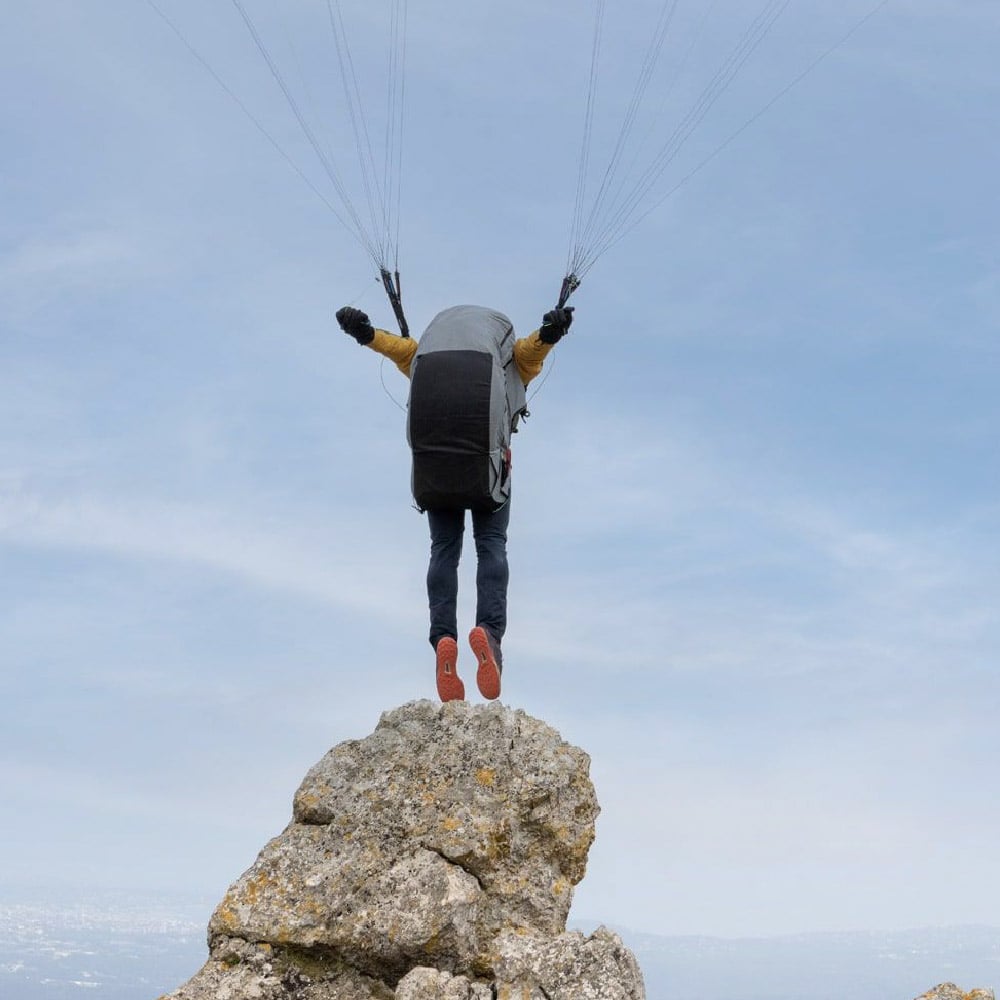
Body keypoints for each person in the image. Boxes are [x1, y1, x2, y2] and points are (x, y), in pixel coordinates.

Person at [335, 301, 574, 702]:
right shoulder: (513, 361)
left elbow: (398, 348)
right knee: (491, 547)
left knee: (443, 552)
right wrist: (553, 330)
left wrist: (365, 333)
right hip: (487, 475)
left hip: (438, 475)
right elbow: (534, 348)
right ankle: (489, 636)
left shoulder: (423, 360)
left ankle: (443, 640)